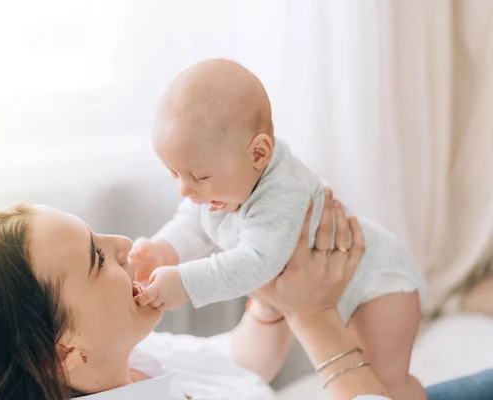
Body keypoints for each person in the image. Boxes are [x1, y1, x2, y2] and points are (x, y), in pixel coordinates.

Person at [0, 189, 397, 399]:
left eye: (97, 236)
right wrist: (315, 316)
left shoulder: (113, 363)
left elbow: (235, 368)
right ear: (64, 352)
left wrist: (272, 300)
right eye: (97, 259)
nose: (124, 244)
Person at [129, 58, 427, 399]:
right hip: (340, 287)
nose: (184, 189)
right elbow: (192, 224)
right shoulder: (223, 185)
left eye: (198, 176)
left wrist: (184, 282)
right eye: (173, 173)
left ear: (259, 153)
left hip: (382, 289)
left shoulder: (282, 193)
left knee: (387, 384)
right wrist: (163, 250)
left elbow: (257, 263)